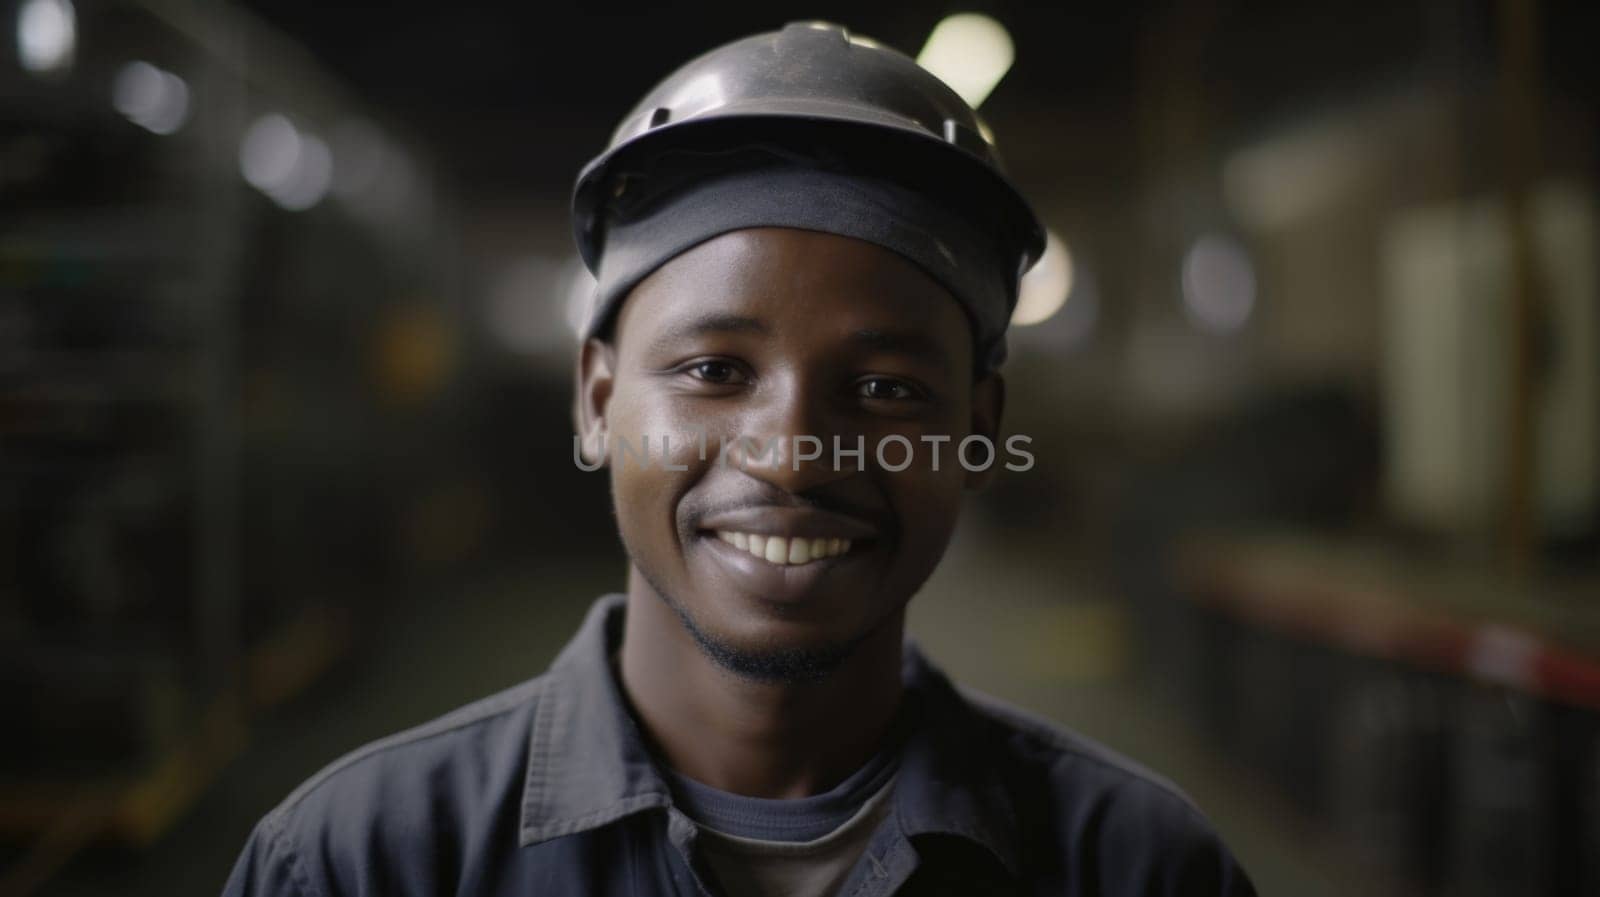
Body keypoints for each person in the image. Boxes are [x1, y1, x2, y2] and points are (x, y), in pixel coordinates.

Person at [223, 21, 1256, 897]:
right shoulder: (361, 865)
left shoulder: (1136, 869)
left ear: (978, 430)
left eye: (887, 388)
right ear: (597, 402)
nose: (791, 453)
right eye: (715, 368)